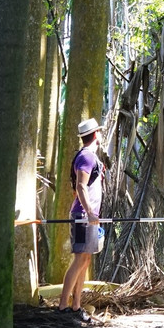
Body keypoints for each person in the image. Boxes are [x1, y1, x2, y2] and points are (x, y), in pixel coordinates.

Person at [59, 117, 105, 317]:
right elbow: (80, 186)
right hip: (82, 216)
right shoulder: (86, 157)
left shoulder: (91, 157)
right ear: (95, 135)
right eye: (100, 132)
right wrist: (89, 212)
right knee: (79, 259)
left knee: (85, 260)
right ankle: (62, 307)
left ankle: (76, 305)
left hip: (89, 216)